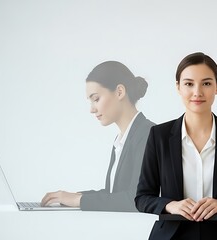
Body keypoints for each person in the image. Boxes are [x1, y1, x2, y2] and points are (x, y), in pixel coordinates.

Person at [135, 52, 217, 240]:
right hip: (171, 235)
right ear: (178, 87)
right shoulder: (159, 135)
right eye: (189, 84)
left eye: (206, 83)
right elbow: (142, 198)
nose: (197, 92)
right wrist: (171, 206)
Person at [41, 61, 155, 211]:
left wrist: (79, 200)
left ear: (120, 92)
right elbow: (113, 194)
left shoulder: (147, 133)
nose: (92, 109)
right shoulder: (121, 139)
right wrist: (68, 197)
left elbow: (135, 199)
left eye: (96, 99)